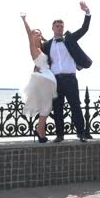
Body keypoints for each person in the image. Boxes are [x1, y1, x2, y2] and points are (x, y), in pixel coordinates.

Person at [42, 1, 93, 143]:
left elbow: (84, 29)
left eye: (61, 26)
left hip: (70, 79)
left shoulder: (69, 38)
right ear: (52, 27)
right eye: (57, 26)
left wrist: (87, 12)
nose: (59, 27)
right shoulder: (46, 45)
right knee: (57, 108)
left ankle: (81, 133)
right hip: (55, 80)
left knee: (75, 106)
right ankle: (60, 135)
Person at [20, 12, 57, 143]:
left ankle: (40, 131)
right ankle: (40, 131)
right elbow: (28, 35)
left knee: (46, 106)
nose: (37, 34)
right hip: (42, 79)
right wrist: (24, 20)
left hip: (46, 77)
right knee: (46, 106)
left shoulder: (42, 48)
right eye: (35, 33)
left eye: (39, 33)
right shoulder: (33, 48)